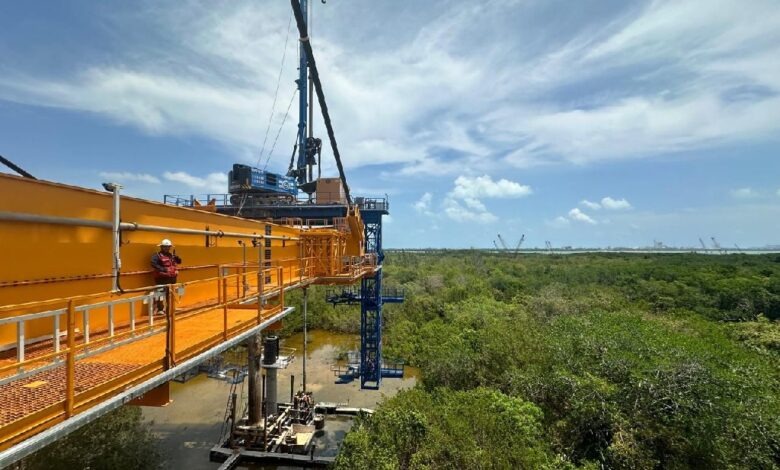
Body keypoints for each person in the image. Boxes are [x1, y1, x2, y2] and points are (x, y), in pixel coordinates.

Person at [151, 239, 182, 314]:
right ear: (161, 247)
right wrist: (164, 269)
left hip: (172, 278)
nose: (167, 248)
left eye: (168, 247)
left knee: (171, 294)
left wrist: (177, 257)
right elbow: (153, 264)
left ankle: (170, 308)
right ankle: (160, 309)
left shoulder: (171, 255)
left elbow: (179, 262)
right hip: (162, 278)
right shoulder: (156, 256)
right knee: (160, 293)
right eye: (165, 247)